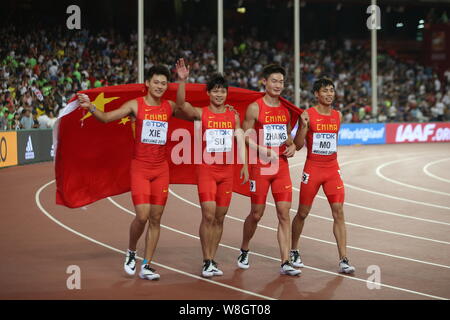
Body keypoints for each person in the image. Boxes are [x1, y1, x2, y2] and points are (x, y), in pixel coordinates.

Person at [77, 63, 187, 281]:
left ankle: (147, 265)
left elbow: (184, 107)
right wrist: (90, 107)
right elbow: (107, 118)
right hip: (140, 168)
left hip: (161, 169)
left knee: (156, 219)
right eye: (156, 82)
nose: (159, 86)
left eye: (164, 83)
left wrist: (182, 80)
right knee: (142, 215)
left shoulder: (169, 106)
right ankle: (131, 252)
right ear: (147, 83)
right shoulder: (136, 106)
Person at [175, 58, 249, 278]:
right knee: (208, 215)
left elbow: (239, 137)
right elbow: (180, 105)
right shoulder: (201, 113)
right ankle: (206, 259)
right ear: (208, 93)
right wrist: (182, 81)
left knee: (220, 217)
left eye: (223, 91)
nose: (219, 95)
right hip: (207, 169)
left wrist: (244, 164)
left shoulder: (233, 115)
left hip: (227, 172)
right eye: (215, 91)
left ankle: (212, 259)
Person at [237, 64, 300, 276]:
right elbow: (244, 136)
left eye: (281, 81)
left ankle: (285, 261)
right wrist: (262, 150)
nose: (278, 85)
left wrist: (291, 146)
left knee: (284, 214)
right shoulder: (255, 107)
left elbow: (288, 137)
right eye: (274, 81)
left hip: (281, 166)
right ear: (265, 82)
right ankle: (245, 248)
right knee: (257, 214)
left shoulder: (285, 110)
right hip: (261, 167)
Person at [291, 77, 355, 274]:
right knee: (303, 213)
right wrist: (303, 126)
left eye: (331, 90)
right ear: (316, 94)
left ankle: (344, 258)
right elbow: (299, 145)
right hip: (313, 168)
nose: (329, 94)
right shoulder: (308, 114)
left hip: (331, 169)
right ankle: (293, 249)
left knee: (339, 211)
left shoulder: (338, 116)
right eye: (325, 91)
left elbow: (333, 141)